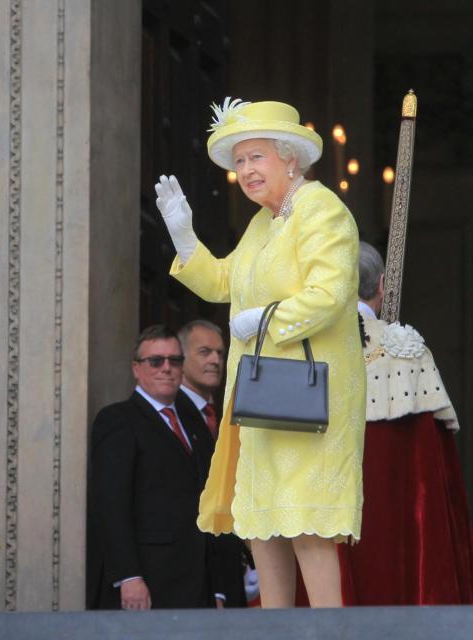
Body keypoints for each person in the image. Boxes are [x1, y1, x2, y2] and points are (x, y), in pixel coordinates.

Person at [155, 99, 365, 608]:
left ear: (290, 158)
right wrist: (184, 238)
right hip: (261, 399)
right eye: (240, 161)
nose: (246, 170)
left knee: (306, 527)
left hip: (308, 398)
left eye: (257, 157)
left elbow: (330, 293)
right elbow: (225, 282)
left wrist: (265, 320)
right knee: (265, 529)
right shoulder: (262, 224)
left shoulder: (322, 209)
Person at [337, 241, 473, 605]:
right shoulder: (409, 350)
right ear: (382, 284)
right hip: (398, 542)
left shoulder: (298, 350)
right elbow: (435, 476)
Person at [88, 325, 227, 610]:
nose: (167, 368)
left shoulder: (195, 422)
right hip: (148, 583)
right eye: (156, 361)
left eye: (175, 360)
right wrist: (128, 575)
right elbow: (111, 505)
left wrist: (220, 588)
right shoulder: (117, 420)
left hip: (198, 584)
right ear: (136, 368)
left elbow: (212, 501)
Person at [177, 320, 252, 607]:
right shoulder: (173, 414)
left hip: (229, 569)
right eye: (205, 352)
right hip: (192, 576)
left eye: (220, 353)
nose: (215, 360)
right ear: (181, 358)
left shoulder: (221, 410)